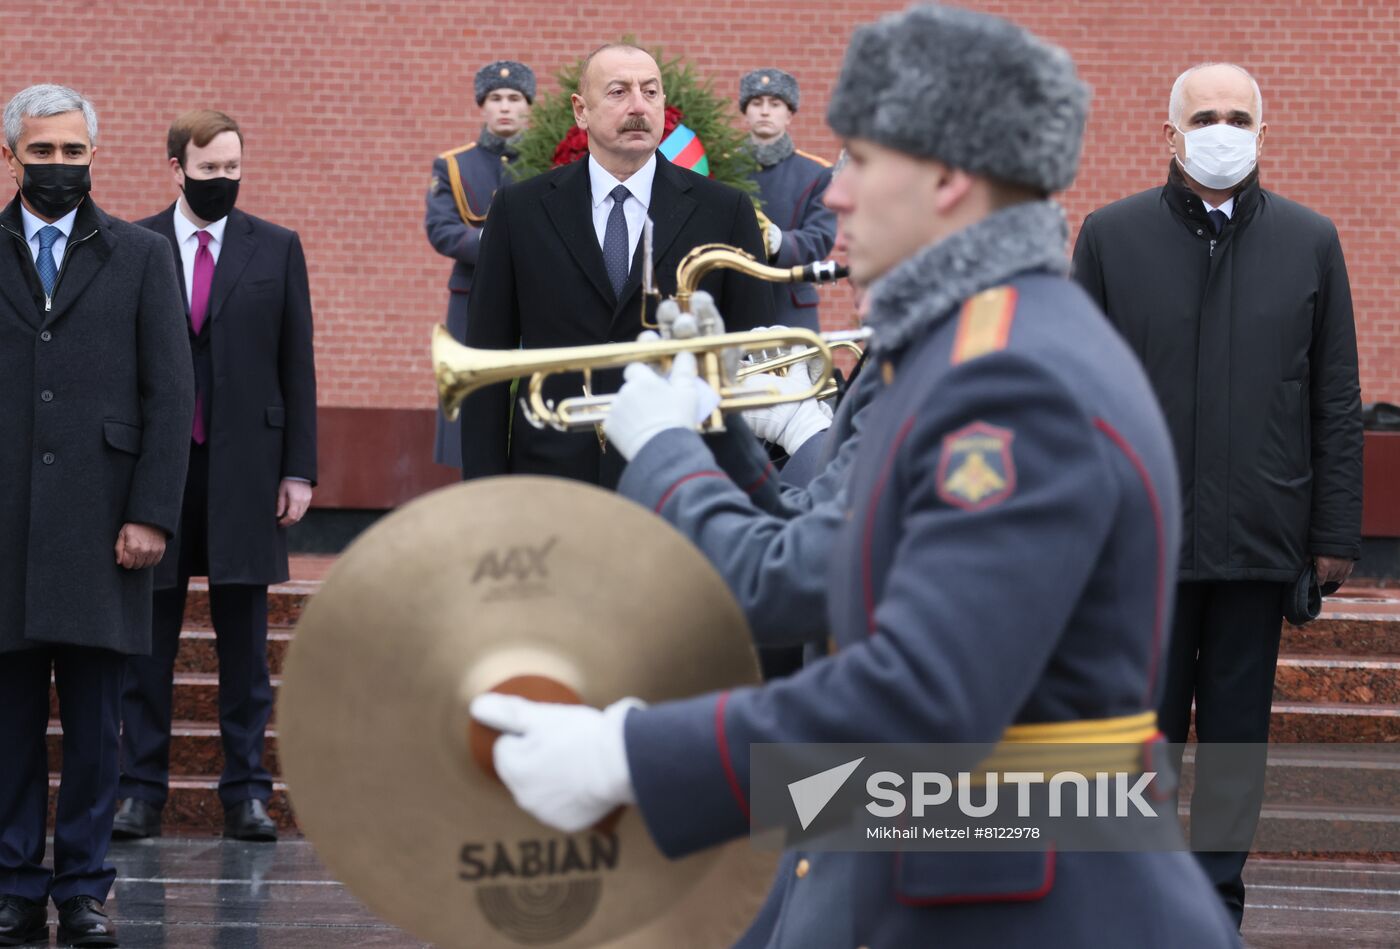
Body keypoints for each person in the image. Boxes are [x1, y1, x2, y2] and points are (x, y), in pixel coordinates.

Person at [471, 7, 1241, 946]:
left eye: (862, 161)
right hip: (926, 860)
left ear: (950, 178)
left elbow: (921, 700)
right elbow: (831, 570)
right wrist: (706, 437)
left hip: (1022, 902)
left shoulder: (1011, 376)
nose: (832, 195)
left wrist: (633, 756)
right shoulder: (957, 348)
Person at [1071, 62, 1363, 928]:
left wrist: (1334, 533)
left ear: (1263, 132)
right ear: (1170, 133)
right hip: (1141, 543)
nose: (1222, 129)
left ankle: (1216, 903)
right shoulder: (1110, 236)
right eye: (1205, 115)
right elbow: (1075, 394)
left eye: (1239, 115)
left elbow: (1333, 398)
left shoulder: (1310, 241)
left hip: (1258, 539)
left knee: (1237, 742)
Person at [0, 83, 193, 948]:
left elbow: (170, 391)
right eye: (42, 153)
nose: (58, 168)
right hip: (4, 527)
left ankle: (81, 886)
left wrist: (152, 511)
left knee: (93, 730)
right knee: (6, 729)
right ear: (12, 156)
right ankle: (12, 883)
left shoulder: (143, 256)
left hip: (105, 529)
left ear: (92, 155)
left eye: (73, 153)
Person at [112, 109, 318, 845]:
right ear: (176, 168)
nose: (222, 182)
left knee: (245, 651)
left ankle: (246, 794)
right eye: (208, 171)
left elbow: (298, 364)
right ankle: (138, 792)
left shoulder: (278, 247)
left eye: (233, 169)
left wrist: (300, 469)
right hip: (156, 475)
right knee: (147, 649)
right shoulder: (131, 245)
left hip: (248, 473)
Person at [459, 42, 774, 489]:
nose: (638, 107)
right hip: (550, 480)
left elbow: (752, 359)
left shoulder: (725, 211)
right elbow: (486, 365)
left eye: (650, 92)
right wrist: (485, 494)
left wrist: (749, 492)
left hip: (682, 481)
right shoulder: (518, 210)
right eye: (618, 92)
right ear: (581, 111)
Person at [426, 60, 534, 468]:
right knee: (474, 404)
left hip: (533, 298)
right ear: (482, 107)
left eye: (514, 98)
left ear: (528, 106)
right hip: (470, 298)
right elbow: (442, 230)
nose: (504, 107)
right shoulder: (453, 165)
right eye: (495, 98)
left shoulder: (551, 159)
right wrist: (497, 245)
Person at [740, 68, 836, 331]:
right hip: (736, 304)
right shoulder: (723, 167)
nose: (765, 111)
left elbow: (821, 238)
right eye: (756, 103)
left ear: (789, 115)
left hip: (791, 309)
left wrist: (779, 241)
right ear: (746, 113)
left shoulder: (816, 173)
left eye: (775, 103)